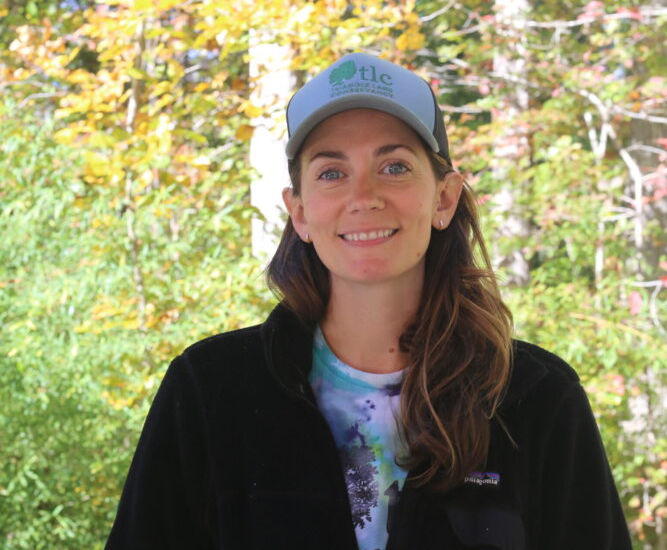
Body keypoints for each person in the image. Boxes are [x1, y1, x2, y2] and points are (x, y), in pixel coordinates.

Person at [105, 53, 632, 549]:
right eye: (331, 172)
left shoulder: (535, 399)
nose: (364, 196)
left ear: (444, 198)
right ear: (301, 213)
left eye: (395, 166)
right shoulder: (211, 391)